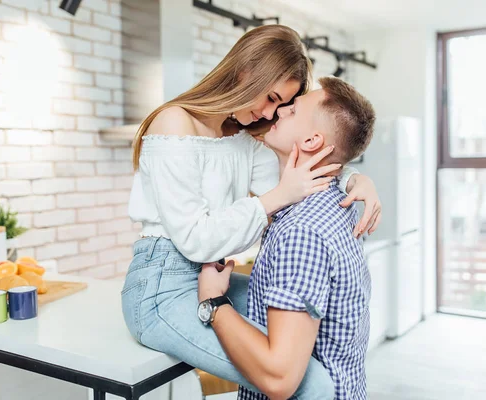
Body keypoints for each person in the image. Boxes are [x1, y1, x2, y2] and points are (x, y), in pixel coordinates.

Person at [122, 25, 381, 399]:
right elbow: (196, 240)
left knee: (302, 337)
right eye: (272, 97)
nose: (270, 112)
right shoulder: (173, 122)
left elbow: (301, 169)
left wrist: (356, 178)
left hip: (210, 275)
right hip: (160, 288)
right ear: (245, 71)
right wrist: (275, 198)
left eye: (282, 105)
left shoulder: (240, 139)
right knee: (311, 383)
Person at [198, 77, 375, 400]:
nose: (279, 111)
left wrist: (214, 302)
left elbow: (279, 378)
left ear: (311, 141)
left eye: (292, 110)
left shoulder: (301, 231)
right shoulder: (337, 206)